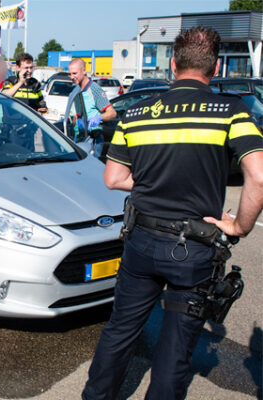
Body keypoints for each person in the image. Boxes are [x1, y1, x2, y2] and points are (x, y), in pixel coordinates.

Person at [82, 26, 263, 400]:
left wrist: (152, 183)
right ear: (213, 69)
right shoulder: (229, 109)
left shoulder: (138, 111)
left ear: (173, 64)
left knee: (120, 331)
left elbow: (114, 178)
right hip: (193, 249)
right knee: (174, 351)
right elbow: (258, 176)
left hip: (141, 242)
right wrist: (239, 226)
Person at [68, 58, 117, 158]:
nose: (72, 77)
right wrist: (77, 122)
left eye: (74, 73)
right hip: (80, 137)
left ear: (84, 71)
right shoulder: (76, 90)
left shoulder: (94, 89)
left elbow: (112, 113)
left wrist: (98, 118)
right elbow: (75, 117)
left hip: (93, 139)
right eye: (70, 74)